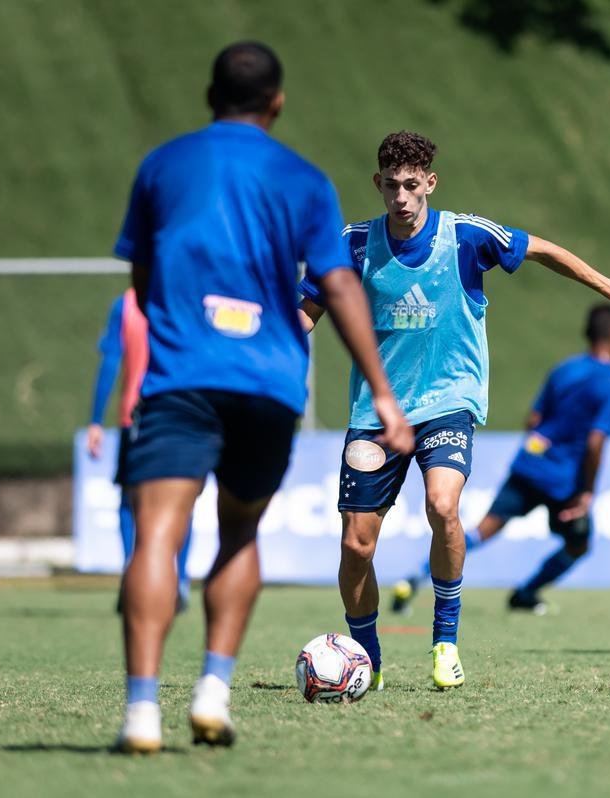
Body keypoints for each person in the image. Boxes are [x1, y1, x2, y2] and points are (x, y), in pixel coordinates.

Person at [112, 42, 412, 754]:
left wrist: (182, 329)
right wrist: (381, 391)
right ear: (276, 103)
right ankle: (213, 691)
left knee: (157, 534)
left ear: (207, 93)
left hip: (183, 373)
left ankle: (142, 711)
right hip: (268, 381)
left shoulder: (162, 165)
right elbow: (338, 285)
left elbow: (143, 277)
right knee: (239, 532)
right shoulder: (303, 178)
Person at [297, 131, 610, 690]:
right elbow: (304, 314)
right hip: (376, 412)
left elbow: (542, 248)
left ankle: (445, 642)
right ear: (378, 184)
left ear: (430, 183)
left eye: (412, 186)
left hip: (450, 400)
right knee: (356, 544)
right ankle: (365, 655)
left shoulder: (465, 236)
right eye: (391, 186)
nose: (401, 197)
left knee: (443, 505)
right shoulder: (351, 244)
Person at [390, 303, 610, 616]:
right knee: (579, 543)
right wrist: (586, 490)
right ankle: (526, 592)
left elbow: (533, 419)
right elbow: (596, 440)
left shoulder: (564, 370)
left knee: (481, 531)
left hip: (530, 463)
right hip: (564, 479)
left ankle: (415, 577)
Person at [87, 289, 193, 612]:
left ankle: (132, 571)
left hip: (136, 415)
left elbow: (111, 362)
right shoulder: (190, 295)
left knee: (130, 498)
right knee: (182, 497)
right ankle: (179, 578)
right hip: (184, 413)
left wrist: (95, 420)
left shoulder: (127, 303)